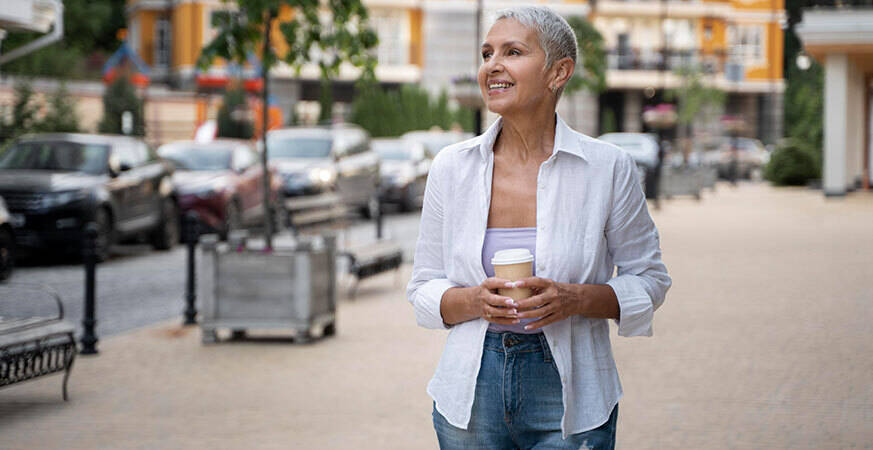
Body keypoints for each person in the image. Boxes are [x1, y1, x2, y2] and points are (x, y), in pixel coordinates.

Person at [407, 6, 671, 449]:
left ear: (558, 72)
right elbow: (423, 288)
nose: (493, 65)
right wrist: (475, 300)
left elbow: (651, 280)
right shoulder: (452, 168)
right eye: (487, 53)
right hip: (471, 391)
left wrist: (575, 299)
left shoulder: (607, 169)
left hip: (574, 396)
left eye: (513, 52)